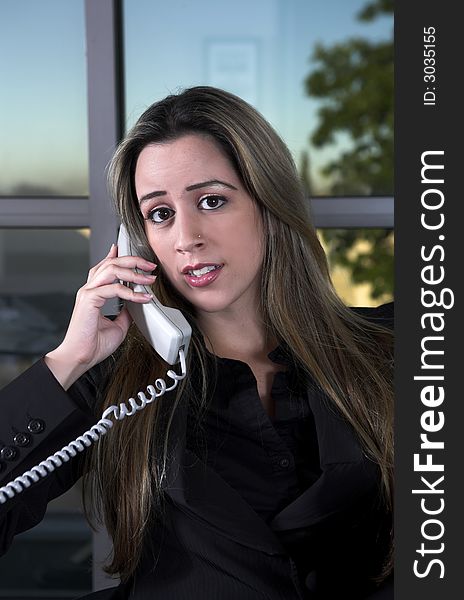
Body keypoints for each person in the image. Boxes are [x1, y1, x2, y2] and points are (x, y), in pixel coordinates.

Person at [0, 86, 394, 599]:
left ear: (269, 204)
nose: (187, 236)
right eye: (159, 213)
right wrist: (67, 361)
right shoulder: (117, 383)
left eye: (211, 201)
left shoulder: (391, 346)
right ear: (139, 242)